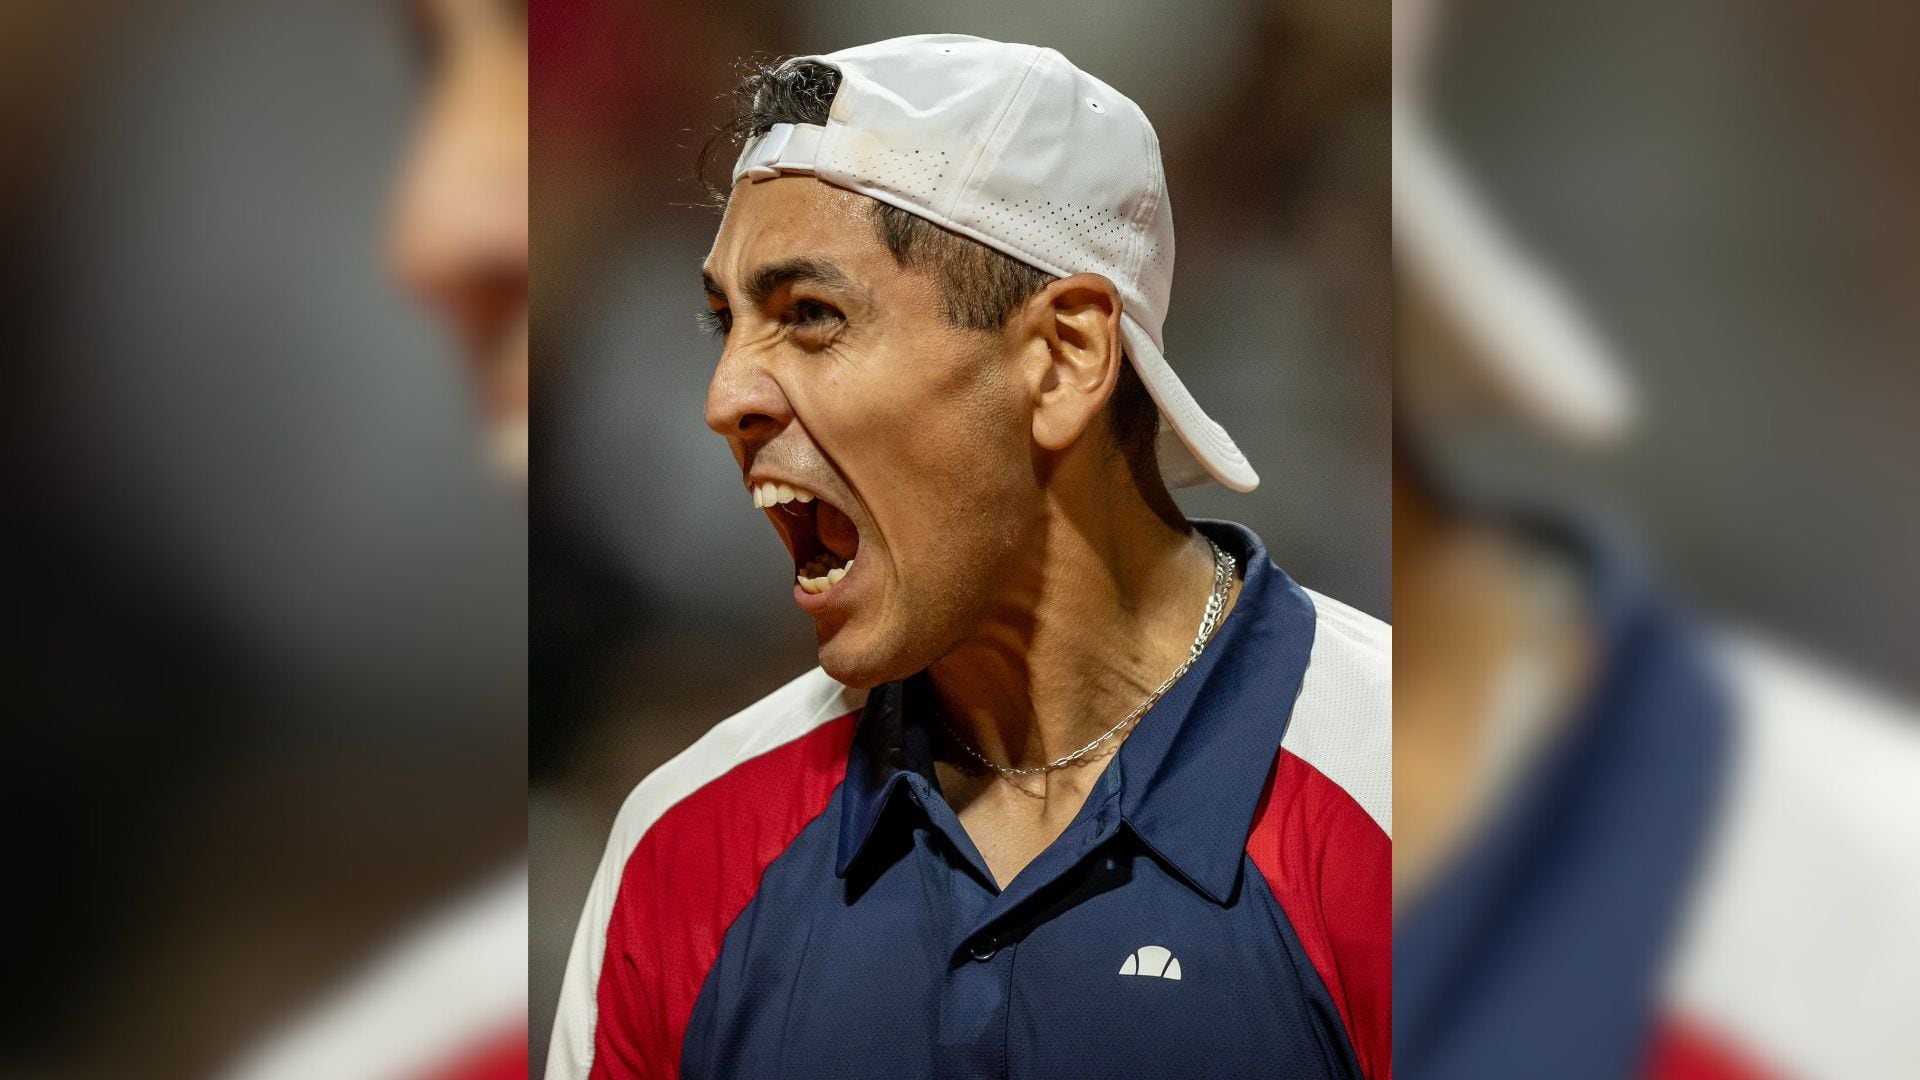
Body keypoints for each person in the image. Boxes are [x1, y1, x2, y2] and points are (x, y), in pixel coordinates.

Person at [547, 34, 1391, 1080]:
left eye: (810, 316)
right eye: (727, 323)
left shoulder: (1418, 807)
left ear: (1065, 356)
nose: (725, 399)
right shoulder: (683, 847)